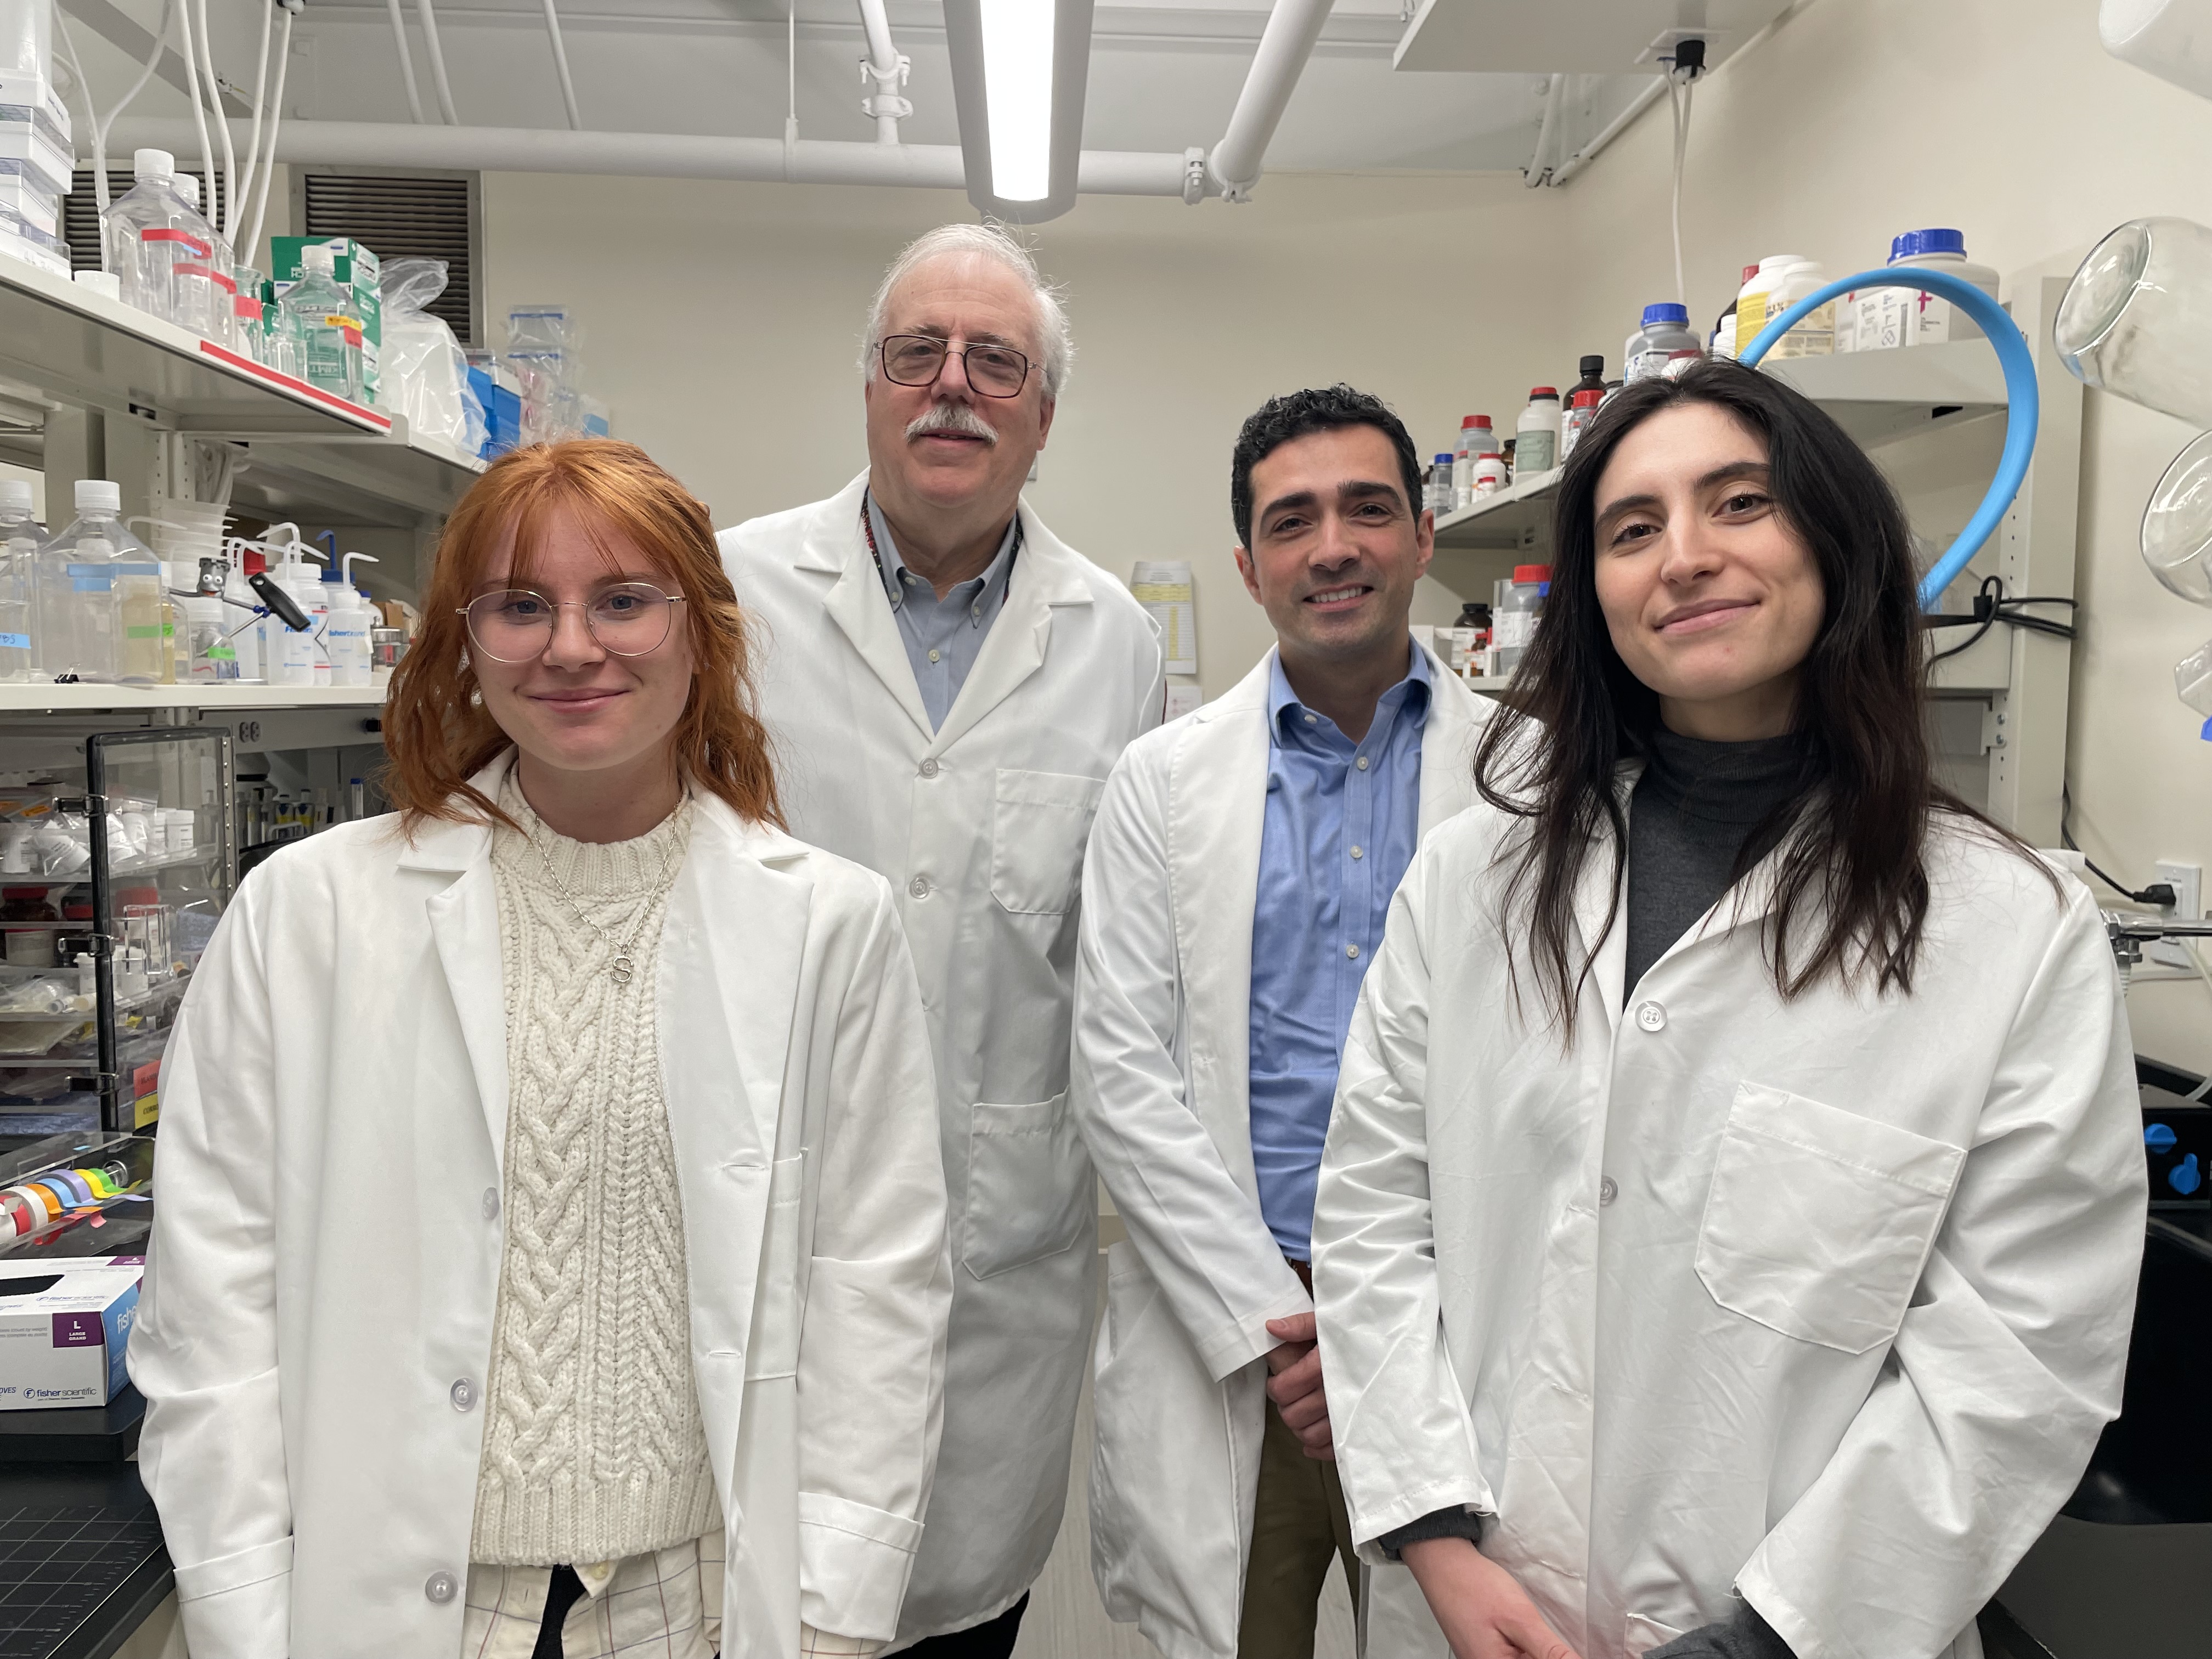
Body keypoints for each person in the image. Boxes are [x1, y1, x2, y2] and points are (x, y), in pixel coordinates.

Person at [1311, 358, 2148, 1659]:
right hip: (1478, 1603)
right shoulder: (1471, 880)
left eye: (1740, 503)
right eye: (1632, 530)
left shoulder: (2009, 930)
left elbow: (2019, 1366)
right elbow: (1373, 1217)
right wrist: (1434, 1541)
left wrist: (1752, 1642)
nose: (1684, 558)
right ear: (1595, 594)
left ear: (1836, 542)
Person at [131, 440, 952, 1659]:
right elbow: (213, 1305)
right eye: (521, 605)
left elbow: (877, 1290)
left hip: (698, 1601)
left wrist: (833, 1613)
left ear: (704, 632)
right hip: (395, 1595)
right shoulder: (306, 914)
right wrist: (243, 1606)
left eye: (623, 600)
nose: (572, 646)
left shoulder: (827, 920)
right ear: (464, 639)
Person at [719, 223, 1164, 1656]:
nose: (952, 387)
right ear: (870, 389)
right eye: (919, 355)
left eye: (996, 362)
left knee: (961, 1617)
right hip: (757, 1228)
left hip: (1000, 1258)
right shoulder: (727, 598)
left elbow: (1129, 970)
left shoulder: (1116, 643)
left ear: (1042, 412)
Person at [1071, 386, 1481, 1659]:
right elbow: (1121, 1077)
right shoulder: (1164, 782)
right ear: (1250, 568)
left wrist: (1385, 1327)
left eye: (1367, 509)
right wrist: (1280, 1327)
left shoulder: (1532, 769)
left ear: (1421, 533)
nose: (1334, 547)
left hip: (1457, 1322)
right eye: (1292, 522)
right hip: (1257, 1344)